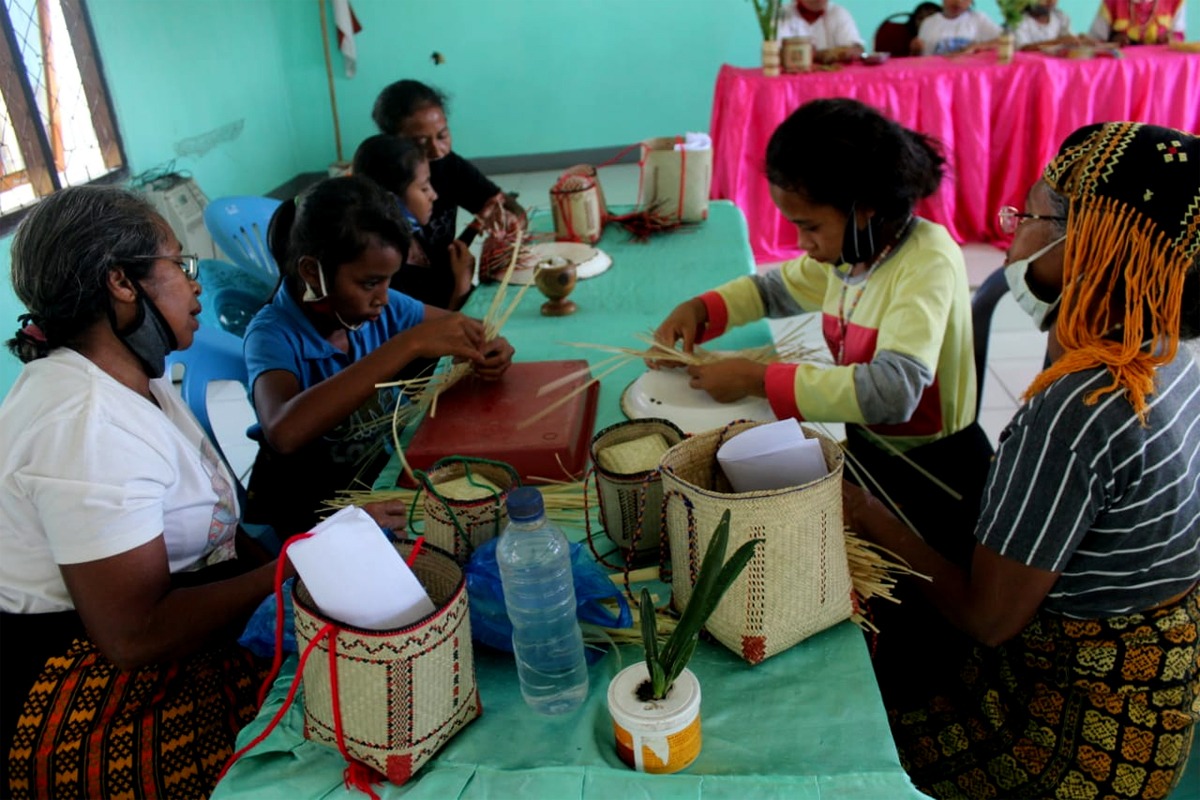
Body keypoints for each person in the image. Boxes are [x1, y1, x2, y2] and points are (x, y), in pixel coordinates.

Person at [844, 122, 1200, 799]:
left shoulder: (1081, 409)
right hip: (1159, 704)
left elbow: (988, 619)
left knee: (857, 735)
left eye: (1028, 216)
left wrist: (864, 514)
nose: (1011, 236)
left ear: (1087, 245)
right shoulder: (1170, 350)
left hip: (1080, 749)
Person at [0, 186, 286, 799]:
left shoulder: (129, 375)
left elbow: (220, 530)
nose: (197, 284)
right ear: (121, 283)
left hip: (155, 632)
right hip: (82, 690)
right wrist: (288, 572)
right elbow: (133, 635)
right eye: (179, 266)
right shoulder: (83, 423)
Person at [653, 98, 983, 544]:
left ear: (865, 207)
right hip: (872, 451)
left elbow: (893, 392)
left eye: (810, 227)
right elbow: (773, 291)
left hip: (932, 473)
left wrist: (759, 380)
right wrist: (700, 310)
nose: (801, 242)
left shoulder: (927, 261)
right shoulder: (852, 254)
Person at [243, 175, 514, 538]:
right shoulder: (272, 334)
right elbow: (284, 431)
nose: (384, 298)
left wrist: (490, 345)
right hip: (315, 518)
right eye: (370, 283)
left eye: (389, 281)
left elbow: (462, 327)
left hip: (381, 482)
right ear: (313, 272)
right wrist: (407, 345)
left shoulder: (380, 306)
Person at [372, 80, 524, 262]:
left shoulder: (449, 165)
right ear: (391, 142)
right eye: (420, 143)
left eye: (442, 135)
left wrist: (506, 221)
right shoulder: (378, 191)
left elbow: (502, 204)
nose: (437, 151)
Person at [352, 134, 475, 311]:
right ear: (392, 201)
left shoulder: (414, 234)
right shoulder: (387, 269)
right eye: (424, 188)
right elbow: (430, 334)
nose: (434, 195)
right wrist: (463, 283)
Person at [775, 0, 865, 63]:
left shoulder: (838, 13)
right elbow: (777, 55)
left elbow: (857, 49)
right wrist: (827, 55)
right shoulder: (782, 15)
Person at [912, 0, 1003, 54]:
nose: (958, 2)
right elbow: (922, 61)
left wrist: (977, 46)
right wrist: (915, 51)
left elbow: (1007, 40)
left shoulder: (978, 19)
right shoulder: (929, 23)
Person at [1088, 0, 1187, 44]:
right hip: (1124, 74)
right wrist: (1113, 40)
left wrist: (1171, 39)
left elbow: (1178, 36)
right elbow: (1095, 41)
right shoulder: (1112, 2)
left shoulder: (1176, 1)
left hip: (1163, 72)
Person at [1012, 0, 1079, 49]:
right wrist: (1058, 42)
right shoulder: (1019, 20)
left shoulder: (1060, 17)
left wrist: (1079, 40)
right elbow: (1023, 48)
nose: (1051, 1)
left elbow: (1068, 40)